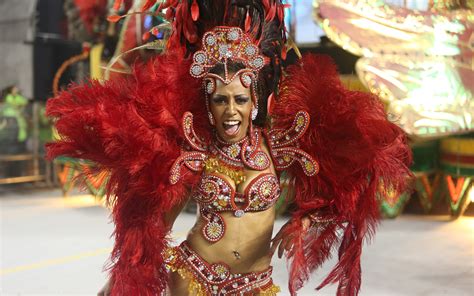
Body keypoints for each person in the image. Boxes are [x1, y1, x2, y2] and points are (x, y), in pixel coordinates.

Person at [47, 1, 412, 295]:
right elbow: (154, 229)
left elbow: (348, 177)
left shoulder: (280, 147)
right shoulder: (195, 153)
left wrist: (306, 220)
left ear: (254, 100)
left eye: (239, 99)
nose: (231, 111)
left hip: (255, 285)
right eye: (220, 100)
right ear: (208, 104)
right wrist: (118, 283)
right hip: (193, 278)